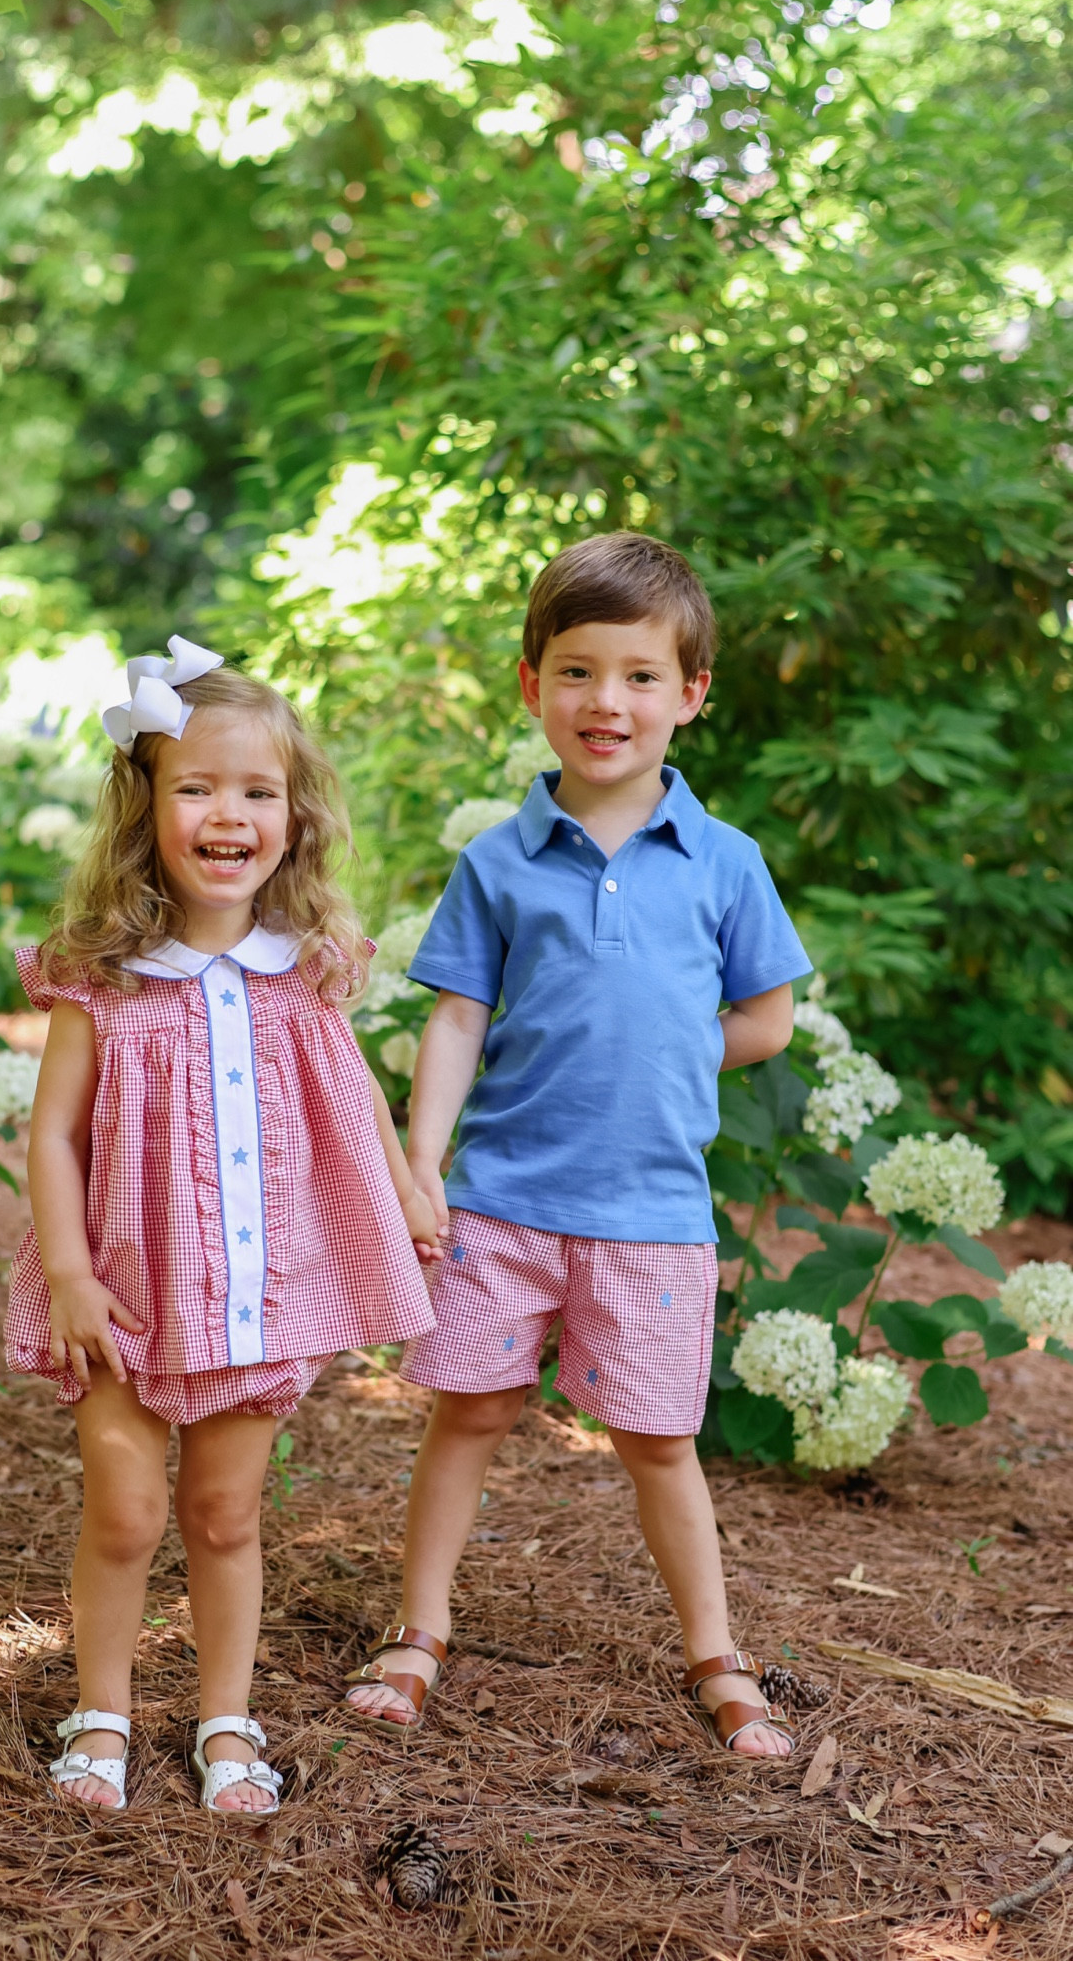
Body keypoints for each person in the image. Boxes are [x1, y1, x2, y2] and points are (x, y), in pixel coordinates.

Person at [346, 533, 812, 1758]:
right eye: (577, 671)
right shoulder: (498, 861)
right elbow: (456, 1016)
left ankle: (715, 1648)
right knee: (469, 1412)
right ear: (531, 685)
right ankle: (420, 1626)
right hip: (500, 1196)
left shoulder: (724, 862)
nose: (607, 700)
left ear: (691, 694)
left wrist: (666, 1058)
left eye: (641, 675)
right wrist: (421, 1159)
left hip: (651, 1207)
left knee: (659, 1436)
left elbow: (768, 1016)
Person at [7, 641, 439, 1815]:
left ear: (294, 817)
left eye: (258, 791)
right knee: (128, 1504)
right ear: (144, 808)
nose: (228, 813)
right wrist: (67, 1273)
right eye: (197, 786)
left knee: (223, 1511)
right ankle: (100, 1711)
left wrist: (406, 1196)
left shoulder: (300, 973)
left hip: (254, 1293)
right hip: (124, 1289)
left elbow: (353, 1103)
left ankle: (225, 1720)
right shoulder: (103, 979)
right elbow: (52, 1136)